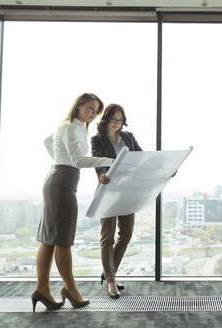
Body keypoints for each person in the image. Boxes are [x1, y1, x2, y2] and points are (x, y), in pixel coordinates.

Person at [32, 93, 114, 312]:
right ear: (78, 105)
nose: (93, 113)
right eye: (90, 107)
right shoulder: (71, 127)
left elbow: (48, 141)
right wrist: (110, 161)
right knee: (62, 239)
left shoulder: (71, 126)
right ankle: (71, 290)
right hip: (62, 181)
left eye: (96, 110)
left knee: (50, 239)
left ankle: (42, 289)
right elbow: (78, 160)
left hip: (59, 178)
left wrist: (60, 158)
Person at [90, 104, 142, 299]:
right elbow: (98, 160)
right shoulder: (97, 139)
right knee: (107, 237)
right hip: (108, 190)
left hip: (127, 191)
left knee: (126, 234)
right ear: (105, 120)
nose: (117, 124)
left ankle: (107, 272)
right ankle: (111, 280)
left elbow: (141, 156)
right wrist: (101, 174)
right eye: (114, 120)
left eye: (120, 121)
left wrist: (163, 168)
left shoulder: (128, 137)